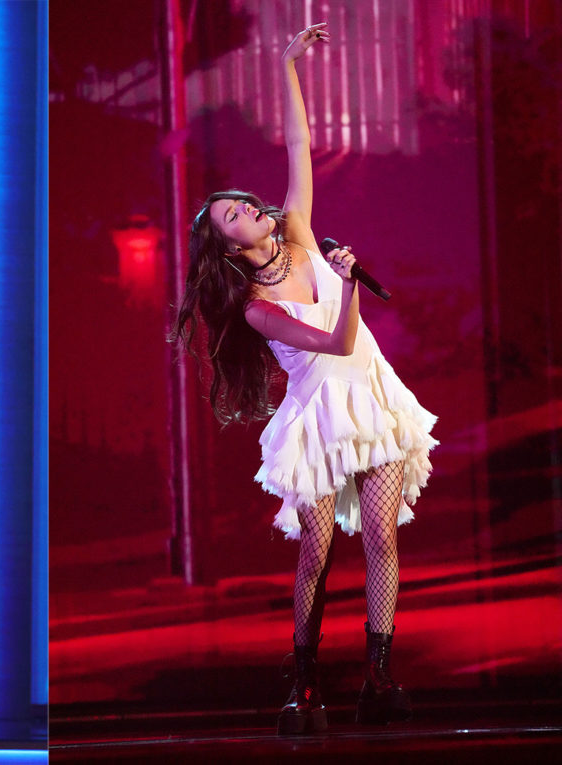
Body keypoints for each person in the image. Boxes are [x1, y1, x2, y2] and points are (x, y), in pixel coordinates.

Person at [172, 24, 437, 734]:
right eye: (231, 214)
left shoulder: (295, 227)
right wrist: (346, 283)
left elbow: (296, 145)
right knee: (317, 548)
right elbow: (335, 336)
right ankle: (304, 683)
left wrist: (287, 63)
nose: (246, 208)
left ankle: (379, 675)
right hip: (320, 412)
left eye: (240, 201)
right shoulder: (258, 309)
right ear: (229, 246)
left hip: (371, 396)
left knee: (381, 535)